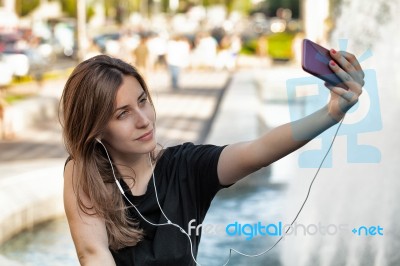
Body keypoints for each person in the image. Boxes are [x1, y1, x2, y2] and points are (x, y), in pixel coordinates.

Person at [60, 50, 364, 265]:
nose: (144, 120)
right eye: (122, 114)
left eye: (143, 101)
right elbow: (93, 254)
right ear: (96, 129)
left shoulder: (186, 168)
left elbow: (257, 151)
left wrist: (332, 113)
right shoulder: (83, 172)